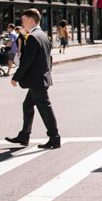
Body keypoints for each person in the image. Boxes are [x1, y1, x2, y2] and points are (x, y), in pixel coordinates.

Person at [5, 8, 60, 149]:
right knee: (27, 105)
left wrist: (15, 78)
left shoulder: (34, 37)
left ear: (31, 20)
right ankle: (24, 135)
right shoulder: (43, 35)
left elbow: (27, 61)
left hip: (37, 80)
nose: (22, 24)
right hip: (41, 78)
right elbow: (49, 58)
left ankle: (54, 137)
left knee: (45, 108)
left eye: (23, 20)